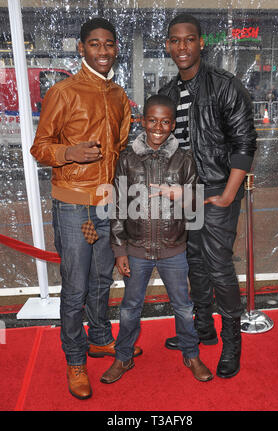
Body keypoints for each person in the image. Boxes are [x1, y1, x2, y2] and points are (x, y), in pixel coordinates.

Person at [30, 17, 142, 400]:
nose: (103, 51)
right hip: (74, 206)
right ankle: (75, 359)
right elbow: (39, 147)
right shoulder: (63, 92)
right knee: (75, 287)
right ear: (81, 48)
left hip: (106, 204)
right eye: (95, 44)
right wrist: (68, 153)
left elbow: (122, 147)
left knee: (100, 280)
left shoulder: (117, 94)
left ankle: (98, 339)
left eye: (109, 44)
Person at [159, 13, 257, 378]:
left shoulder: (224, 86)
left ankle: (233, 343)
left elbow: (245, 143)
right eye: (175, 40)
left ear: (201, 43)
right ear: (168, 45)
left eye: (189, 39)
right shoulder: (168, 92)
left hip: (217, 192)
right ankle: (204, 329)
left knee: (217, 267)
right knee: (194, 265)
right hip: (183, 195)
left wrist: (229, 194)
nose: (181, 46)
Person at [100, 94, 213, 384]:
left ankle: (191, 353)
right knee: (129, 308)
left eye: (165, 122)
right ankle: (123, 357)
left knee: (184, 307)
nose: (158, 127)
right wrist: (119, 249)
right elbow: (117, 207)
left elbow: (196, 204)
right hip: (136, 250)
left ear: (173, 124)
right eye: (152, 120)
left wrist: (182, 194)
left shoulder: (184, 159)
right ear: (142, 121)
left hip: (173, 249)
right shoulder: (127, 159)